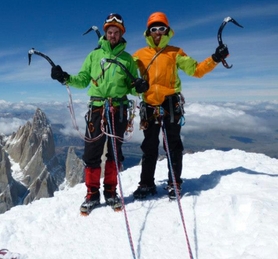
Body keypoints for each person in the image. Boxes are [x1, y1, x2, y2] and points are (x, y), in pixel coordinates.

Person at [50, 13, 149, 214]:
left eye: (116, 32)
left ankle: (111, 193)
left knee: (114, 152)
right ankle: (92, 195)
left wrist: (139, 86)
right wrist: (65, 78)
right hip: (97, 109)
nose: (112, 35)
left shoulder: (128, 59)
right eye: (110, 32)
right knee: (91, 152)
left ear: (121, 34)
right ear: (105, 33)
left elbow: (132, 87)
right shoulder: (94, 56)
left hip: (119, 109)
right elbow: (83, 79)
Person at [132, 12, 229, 199]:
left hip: (170, 103)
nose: (158, 32)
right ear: (148, 32)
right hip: (150, 104)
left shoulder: (176, 53)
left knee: (173, 145)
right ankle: (146, 183)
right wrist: (136, 87)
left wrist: (215, 58)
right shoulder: (139, 56)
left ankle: (174, 183)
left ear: (167, 30)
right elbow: (127, 80)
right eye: (154, 29)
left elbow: (196, 70)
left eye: (162, 28)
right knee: (149, 146)